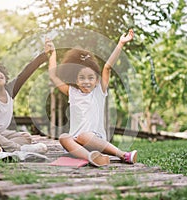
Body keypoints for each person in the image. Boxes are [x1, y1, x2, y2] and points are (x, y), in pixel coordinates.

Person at [47, 29, 137, 166]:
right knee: (64, 137)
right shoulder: (72, 92)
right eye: (82, 78)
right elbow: (53, 76)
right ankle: (91, 157)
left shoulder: (99, 91)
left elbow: (107, 67)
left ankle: (123, 155)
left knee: (85, 135)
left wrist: (121, 43)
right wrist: (53, 54)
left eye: (90, 78)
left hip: (95, 140)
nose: (86, 81)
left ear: (96, 80)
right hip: (77, 145)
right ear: (76, 80)